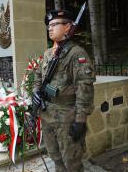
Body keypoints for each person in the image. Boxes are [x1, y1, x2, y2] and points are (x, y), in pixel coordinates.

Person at [32, 10, 95, 172]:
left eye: (54, 25)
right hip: (48, 113)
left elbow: (84, 87)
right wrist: (36, 92)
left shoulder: (76, 53)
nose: (50, 29)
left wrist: (80, 120)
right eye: (48, 26)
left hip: (67, 116)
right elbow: (39, 76)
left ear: (67, 27)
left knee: (71, 162)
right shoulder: (48, 54)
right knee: (55, 156)